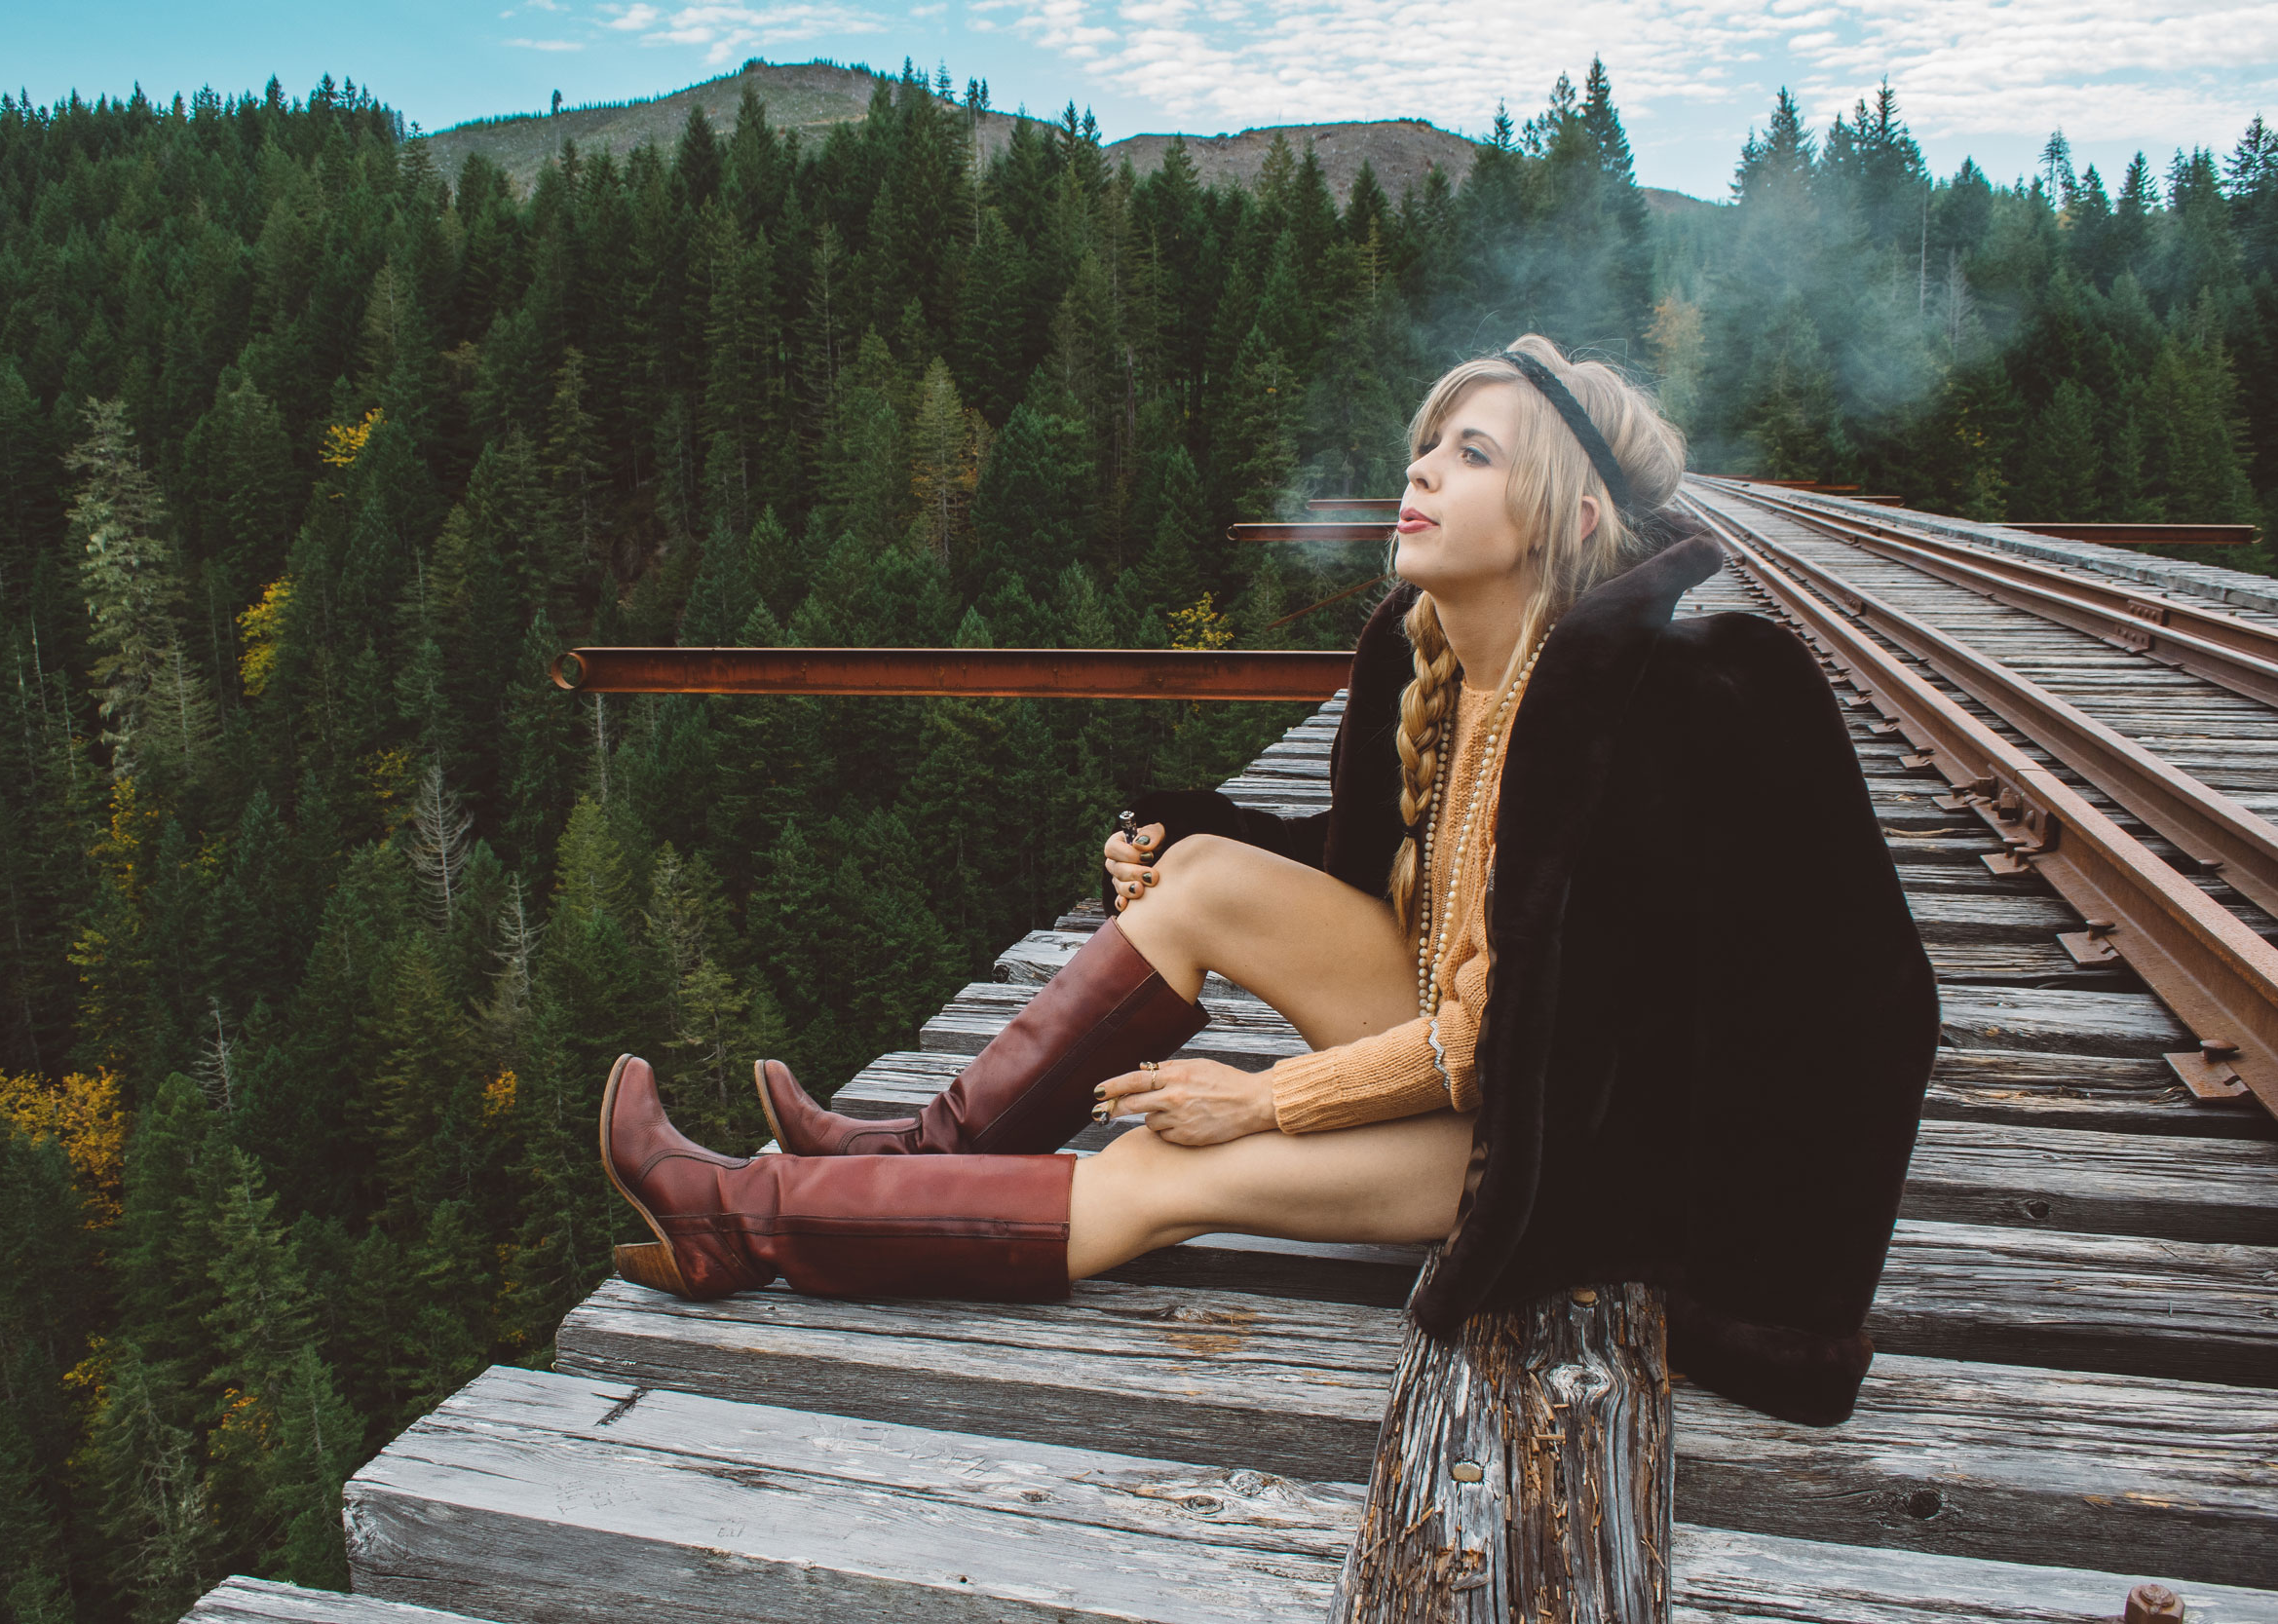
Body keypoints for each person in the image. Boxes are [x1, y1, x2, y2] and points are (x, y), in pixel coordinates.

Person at [598, 334, 1937, 1426]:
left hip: (1558, 1152)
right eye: (1426, 443)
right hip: (1474, 1055)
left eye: (1472, 454)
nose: (1420, 472)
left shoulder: (1634, 709)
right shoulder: (1432, 669)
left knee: (1165, 1169)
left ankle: (748, 1218)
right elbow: (1373, 880)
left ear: (1568, 514)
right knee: (1214, 882)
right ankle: (904, 1155)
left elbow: (1497, 1041)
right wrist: (1189, 834)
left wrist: (1265, 1105)